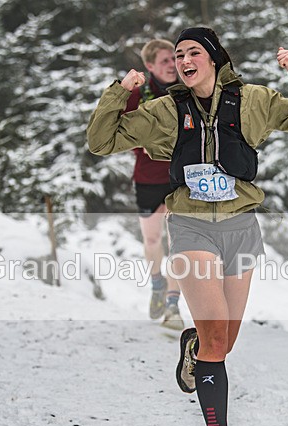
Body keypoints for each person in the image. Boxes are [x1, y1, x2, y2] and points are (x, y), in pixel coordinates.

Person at [88, 27, 288, 426]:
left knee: (221, 345)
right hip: (191, 225)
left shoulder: (254, 100)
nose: (183, 60)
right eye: (178, 54)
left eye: (193, 52)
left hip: (241, 228)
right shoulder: (164, 111)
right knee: (218, 341)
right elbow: (102, 141)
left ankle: (193, 347)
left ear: (215, 58)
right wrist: (120, 92)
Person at [124, 39, 183, 329]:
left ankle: (173, 304)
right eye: (164, 61)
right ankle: (157, 283)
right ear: (149, 66)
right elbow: (128, 133)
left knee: (179, 242)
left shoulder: (186, 87)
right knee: (152, 240)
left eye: (174, 58)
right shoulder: (139, 93)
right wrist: (150, 147)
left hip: (181, 176)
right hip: (148, 178)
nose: (172, 65)